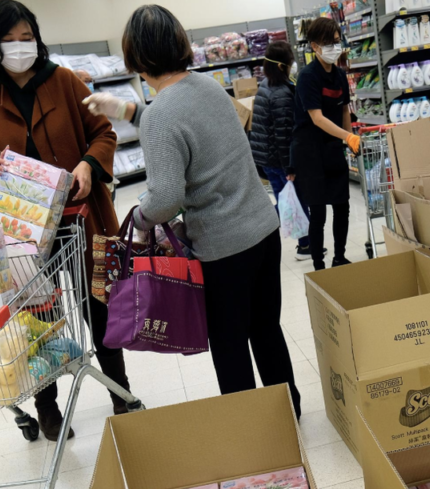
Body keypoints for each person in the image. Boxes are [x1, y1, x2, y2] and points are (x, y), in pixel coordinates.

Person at [83, 5, 302, 417]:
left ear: (137, 57)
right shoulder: (206, 85)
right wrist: (125, 109)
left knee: (230, 344)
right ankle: (289, 411)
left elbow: (166, 196)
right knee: (266, 329)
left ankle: (253, 428)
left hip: (224, 248)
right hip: (262, 227)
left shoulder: (160, 116)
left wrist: (140, 218)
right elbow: (181, 121)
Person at [0, 0, 137, 440]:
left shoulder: (64, 80)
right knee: (36, 319)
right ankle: (47, 406)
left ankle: (121, 393)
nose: (20, 47)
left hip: (81, 221)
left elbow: (103, 132)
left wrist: (89, 163)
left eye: (26, 38)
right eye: (9, 40)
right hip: (21, 231)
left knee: (99, 307)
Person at [291, 17, 360, 272]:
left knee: (342, 205)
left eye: (337, 41)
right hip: (309, 151)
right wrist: (346, 137)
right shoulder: (307, 77)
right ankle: (319, 266)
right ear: (314, 46)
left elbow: (343, 111)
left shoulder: (340, 75)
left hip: (332, 148)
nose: (334, 47)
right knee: (318, 211)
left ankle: (339, 257)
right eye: (328, 43)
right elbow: (317, 118)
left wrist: (350, 138)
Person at [249, 41, 314, 261]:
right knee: (295, 201)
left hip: (267, 159)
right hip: (279, 159)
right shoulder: (281, 94)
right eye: (290, 62)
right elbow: (283, 135)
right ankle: (304, 244)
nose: (292, 66)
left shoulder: (266, 84)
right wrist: (290, 167)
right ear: (281, 66)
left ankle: (302, 243)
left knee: (286, 201)